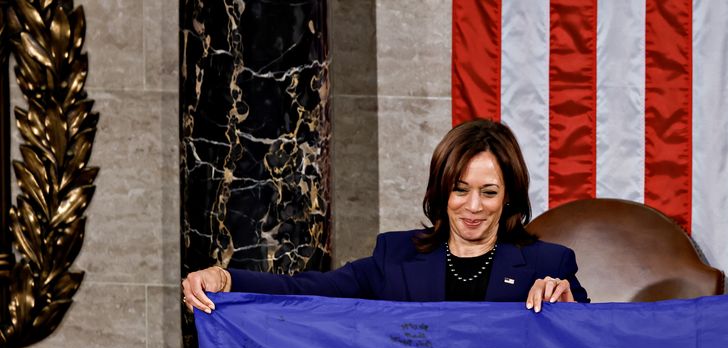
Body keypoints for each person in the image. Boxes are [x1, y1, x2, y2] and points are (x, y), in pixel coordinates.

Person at [183, 118, 587, 314]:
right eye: (460, 189)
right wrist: (227, 278)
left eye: (489, 192)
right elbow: (308, 288)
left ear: (510, 196)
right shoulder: (395, 256)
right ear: (440, 191)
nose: (474, 206)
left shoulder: (548, 264)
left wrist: (571, 313)